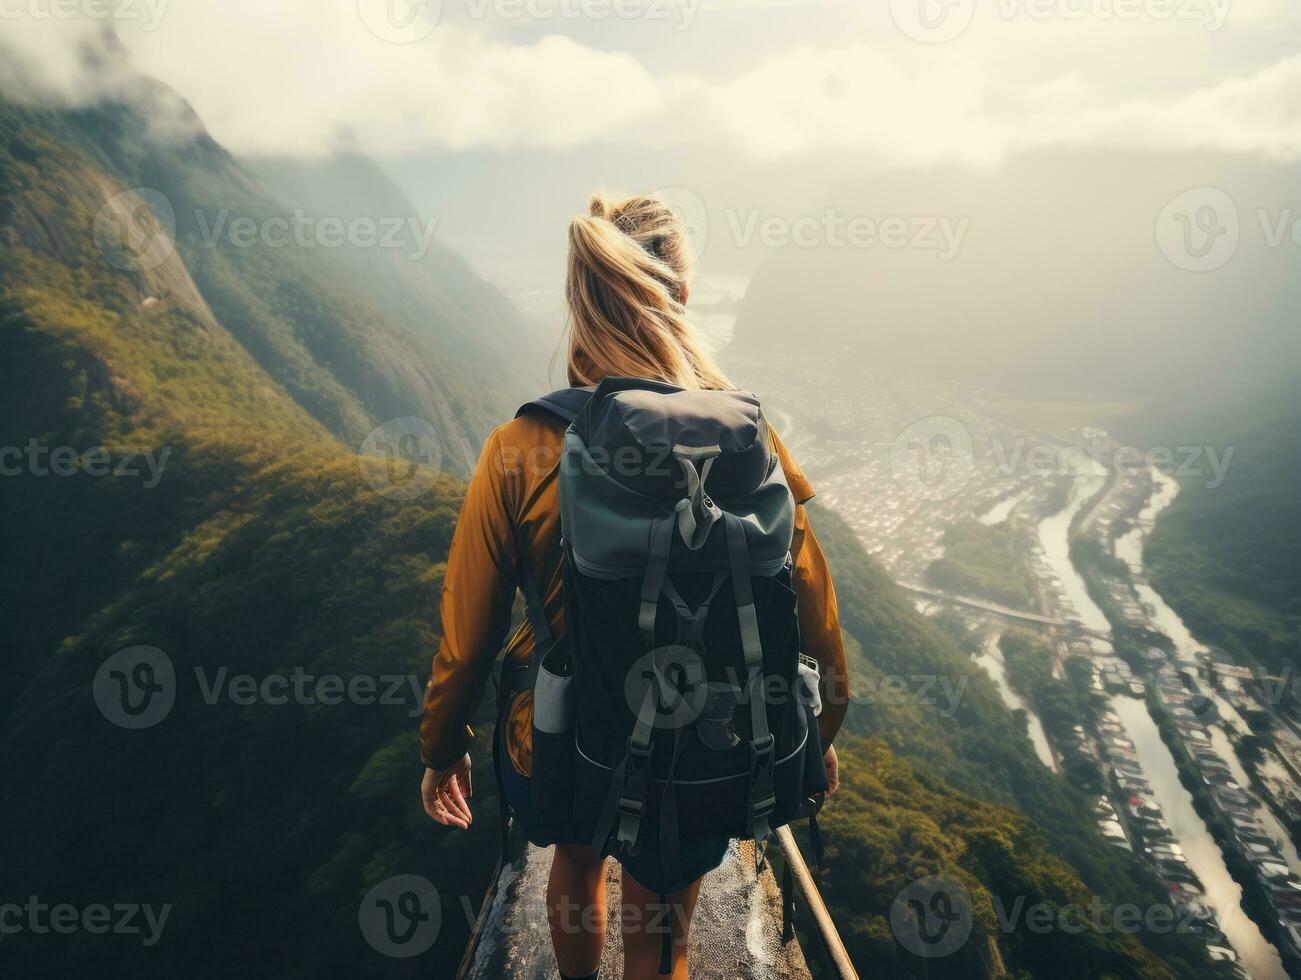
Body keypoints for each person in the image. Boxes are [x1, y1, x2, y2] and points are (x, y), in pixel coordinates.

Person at [419, 191, 849, 980]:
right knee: (664, 927)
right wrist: (818, 731)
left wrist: (442, 745)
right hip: (701, 728)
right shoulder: (749, 442)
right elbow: (811, 609)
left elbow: (468, 628)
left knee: (575, 863)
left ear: (577, 304)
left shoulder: (519, 446)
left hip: (559, 734)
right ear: (681, 297)